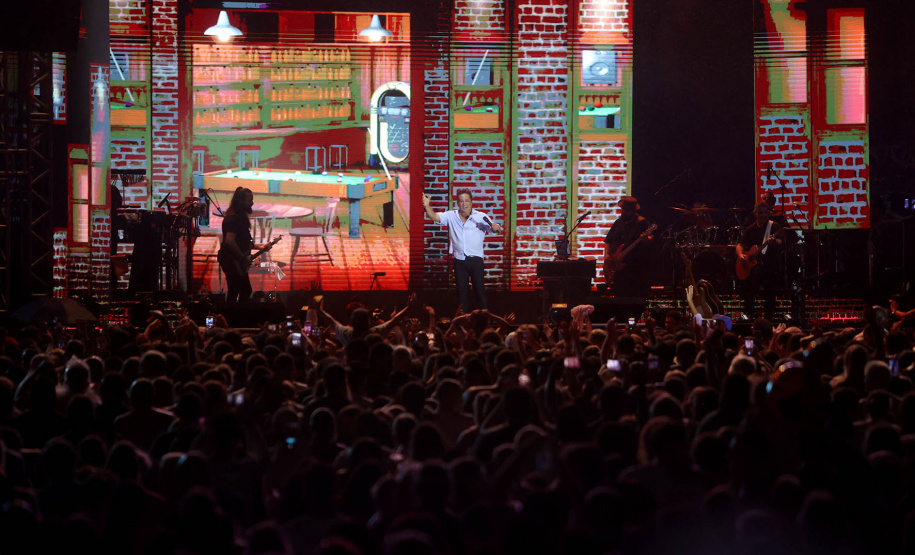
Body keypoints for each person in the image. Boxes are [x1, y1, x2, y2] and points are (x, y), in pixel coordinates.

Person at [423, 188, 503, 313]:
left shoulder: (481, 217)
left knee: (479, 290)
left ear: (471, 202)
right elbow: (434, 217)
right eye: (461, 201)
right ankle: (463, 320)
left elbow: (495, 229)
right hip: (459, 260)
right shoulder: (451, 215)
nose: (464, 204)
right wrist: (427, 206)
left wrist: (495, 227)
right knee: (461, 292)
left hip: (476, 260)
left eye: (466, 201)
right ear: (457, 203)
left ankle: (483, 320)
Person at [218, 187, 273, 303]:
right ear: (241, 202)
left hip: (233, 260)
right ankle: (234, 318)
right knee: (241, 290)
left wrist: (261, 247)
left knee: (239, 290)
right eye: (249, 200)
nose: (252, 203)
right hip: (231, 260)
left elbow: (242, 241)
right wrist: (243, 258)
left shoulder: (238, 216)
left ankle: (233, 317)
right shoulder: (235, 218)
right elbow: (230, 241)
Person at [736, 201, 784, 319]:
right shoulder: (750, 229)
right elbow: (740, 244)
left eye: (765, 213)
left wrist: (775, 242)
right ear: (755, 213)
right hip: (753, 270)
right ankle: (749, 317)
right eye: (760, 212)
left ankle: (768, 319)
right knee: (749, 294)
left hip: (770, 266)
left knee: (770, 295)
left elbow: (781, 241)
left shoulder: (775, 227)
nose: (763, 215)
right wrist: (741, 255)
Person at [603, 196, 652, 296]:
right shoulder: (618, 223)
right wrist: (607, 256)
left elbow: (650, 240)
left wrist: (646, 239)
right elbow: (608, 240)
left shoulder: (642, 222)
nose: (623, 212)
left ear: (633, 210)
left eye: (626, 210)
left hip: (634, 270)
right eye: (622, 209)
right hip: (617, 269)